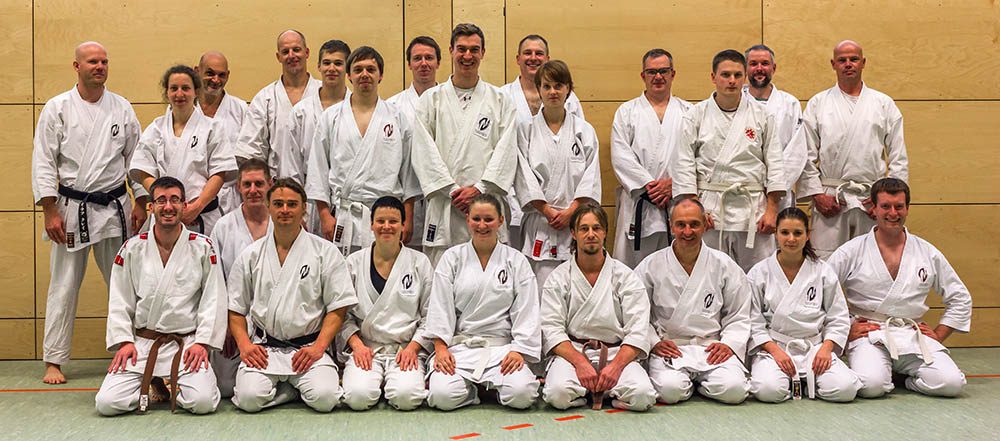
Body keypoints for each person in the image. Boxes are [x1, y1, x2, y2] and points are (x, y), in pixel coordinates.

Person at [32, 41, 148, 384]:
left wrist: (140, 199)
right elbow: (43, 160)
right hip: (70, 209)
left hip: (114, 207)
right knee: (64, 285)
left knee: (123, 283)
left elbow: (136, 159)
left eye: (104, 61)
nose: (99, 66)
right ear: (76, 66)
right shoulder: (58, 108)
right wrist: (49, 210)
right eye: (92, 61)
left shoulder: (122, 107)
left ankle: (128, 349)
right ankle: (54, 359)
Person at [94, 177, 227, 415]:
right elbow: (119, 300)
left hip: (186, 344)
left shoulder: (203, 247)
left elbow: (213, 299)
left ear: (184, 205)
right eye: (161, 201)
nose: (168, 206)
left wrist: (203, 343)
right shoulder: (132, 249)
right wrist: (124, 341)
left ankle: (170, 381)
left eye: (175, 200)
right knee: (106, 403)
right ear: (151, 207)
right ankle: (153, 379)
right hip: (143, 344)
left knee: (203, 403)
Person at [828, 178, 970, 398]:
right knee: (870, 387)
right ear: (873, 208)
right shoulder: (851, 251)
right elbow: (821, 293)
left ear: (907, 208)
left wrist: (939, 335)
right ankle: (885, 374)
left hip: (913, 333)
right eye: (885, 206)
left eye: (899, 206)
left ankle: (902, 380)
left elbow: (960, 298)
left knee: (951, 384)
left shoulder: (927, 252)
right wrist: (846, 331)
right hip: (869, 333)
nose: (893, 213)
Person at [228, 179, 357, 412]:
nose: (285, 210)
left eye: (292, 204)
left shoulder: (324, 252)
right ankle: (290, 392)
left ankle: (292, 388)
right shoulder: (251, 255)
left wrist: (319, 347)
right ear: (268, 207)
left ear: (304, 209)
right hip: (265, 349)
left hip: (308, 349)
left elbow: (338, 308)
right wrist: (245, 345)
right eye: (278, 204)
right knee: (248, 399)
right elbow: (236, 308)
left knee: (326, 399)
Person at [410, 23, 519, 267]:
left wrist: (479, 188)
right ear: (450, 51)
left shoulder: (500, 100)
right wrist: (452, 191)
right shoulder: (431, 100)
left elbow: (507, 151)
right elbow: (422, 151)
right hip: (445, 204)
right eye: (461, 49)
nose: (467, 56)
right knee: (443, 283)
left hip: (486, 206)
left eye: (474, 50)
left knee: (490, 280)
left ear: (483, 52)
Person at [424, 194, 540, 410]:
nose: (482, 225)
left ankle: (495, 389)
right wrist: (440, 347)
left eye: (489, 219)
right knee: (441, 396)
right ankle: (472, 392)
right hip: (460, 348)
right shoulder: (452, 258)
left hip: (502, 349)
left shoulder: (516, 261)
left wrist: (519, 350)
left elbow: (527, 310)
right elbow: (440, 307)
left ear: (500, 221)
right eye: (476, 219)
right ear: (467, 219)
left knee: (522, 395)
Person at [673, 49, 785, 273]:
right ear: (713, 77)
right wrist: (695, 208)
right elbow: (684, 164)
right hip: (711, 210)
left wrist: (772, 210)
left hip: (754, 210)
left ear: (744, 77)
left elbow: (775, 162)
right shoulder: (695, 115)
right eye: (725, 75)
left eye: (737, 75)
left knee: (757, 275)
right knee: (711, 274)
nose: (731, 81)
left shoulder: (762, 115)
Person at [540, 202, 656, 411]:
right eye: (584, 229)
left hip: (616, 352)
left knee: (643, 396)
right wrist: (580, 363)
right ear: (574, 234)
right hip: (574, 352)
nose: (591, 234)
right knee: (557, 395)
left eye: (597, 228)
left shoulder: (625, 277)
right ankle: (594, 393)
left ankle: (602, 390)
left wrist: (615, 367)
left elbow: (638, 330)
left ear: (605, 233)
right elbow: (551, 329)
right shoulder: (558, 278)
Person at [797, 40, 908, 258]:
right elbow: (805, 154)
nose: (848, 64)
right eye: (842, 60)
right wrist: (817, 194)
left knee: (871, 265)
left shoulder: (883, 104)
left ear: (863, 62)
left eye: (854, 59)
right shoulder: (818, 103)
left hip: (871, 201)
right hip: (830, 199)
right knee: (825, 266)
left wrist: (888, 200)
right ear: (833, 64)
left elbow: (898, 156)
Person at [634, 198, 750, 404]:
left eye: (694, 224)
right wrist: (653, 342)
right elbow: (637, 311)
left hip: (711, 347)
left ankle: (699, 383)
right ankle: (694, 384)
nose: (688, 231)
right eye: (681, 225)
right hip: (670, 347)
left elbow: (739, 312)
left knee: (735, 391)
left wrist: (729, 344)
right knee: (670, 391)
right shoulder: (651, 265)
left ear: (705, 224)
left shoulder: (724, 265)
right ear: (671, 226)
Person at [307, 46, 420, 255]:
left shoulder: (397, 118)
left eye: (371, 69)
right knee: (344, 278)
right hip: (344, 215)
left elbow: (409, 173)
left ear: (381, 75)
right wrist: (324, 214)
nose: (364, 75)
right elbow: (318, 167)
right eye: (358, 70)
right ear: (349, 75)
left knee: (384, 275)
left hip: (386, 217)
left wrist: (408, 216)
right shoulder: (331, 117)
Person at [746, 207, 861, 402]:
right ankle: (797, 381)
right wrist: (774, 351)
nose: (791, 239)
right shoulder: (759, 273)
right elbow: (753, 321)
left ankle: (804, 381)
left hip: (814, 348)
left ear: (808, 235)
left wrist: (826, 348)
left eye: (798, 233)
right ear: (776, 234)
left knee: (846, 389)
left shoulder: (823, 272)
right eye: (785, 232)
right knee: (768, 390)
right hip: (775, 348)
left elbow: (838, 317)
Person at [339, 196, 434, 411]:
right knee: (357, 398)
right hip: (367, 350)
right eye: (381, 221)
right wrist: (357, 346)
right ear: (371, 225)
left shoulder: (420, 262)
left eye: (393, 221)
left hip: (406, 350)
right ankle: (378, 382)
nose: (387, 227)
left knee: (407, 398)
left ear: (403, 225)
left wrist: (413, 348)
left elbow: (430, 315)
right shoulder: (353, 263)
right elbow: (342, 315)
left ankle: (394, 382)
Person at [513, 60, 601, 289]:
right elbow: (522, 174)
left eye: (559, 86)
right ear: (539, 90)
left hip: (576, 222)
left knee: (576, 287)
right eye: (547, 86)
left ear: (568, 89)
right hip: (542, 222)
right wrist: (547, 210)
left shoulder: (584, 130)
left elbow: (590, 177)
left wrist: (572, 212)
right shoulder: (526, 130)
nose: (553, 92)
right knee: (541, 288)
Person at [500, 34, 586, 252]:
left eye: (539, 53)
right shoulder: (502, 96)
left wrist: (571, 207)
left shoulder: (571, 99)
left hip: (565, 204)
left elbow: (576, 149)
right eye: (527, 53)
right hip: (516, 197)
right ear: (518, 58)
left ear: (547, 58)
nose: (533, 58)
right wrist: (540, 206)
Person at [129, 65, 237, 236]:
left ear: (196, 91)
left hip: (202, 215)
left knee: (203, 260)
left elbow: (220, 172)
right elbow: (144, 171)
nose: (179, 94)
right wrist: (167, 203)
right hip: (164, 214)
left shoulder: (212, 128)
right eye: (174, 88)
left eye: (185, 88)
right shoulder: (155, 128)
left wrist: (196, 206)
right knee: (162, 261)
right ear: (166, 92)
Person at [610, 49, 691, 268]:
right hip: (640, 202)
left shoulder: (689, 112)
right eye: (652, 72)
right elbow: (620, 157)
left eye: (663, 71)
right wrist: (650, 187)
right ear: (643, 75)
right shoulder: (626, 112)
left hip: (676, 202)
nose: (658, 77)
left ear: (673, 74)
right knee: (632, 275)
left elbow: (699, 157)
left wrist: (673, 185)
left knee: (674, 273)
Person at [207, 158, 273, 398]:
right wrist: (225, 327)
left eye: (259, 183)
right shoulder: (223, 227)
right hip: (237, 321)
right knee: (225, 387)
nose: (253, 190)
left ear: (270, 184)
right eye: (247, 184)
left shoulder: (285, 223)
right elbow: (214, 282)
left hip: (277, 322)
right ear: (238, 187)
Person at [284, 39, 351, 233]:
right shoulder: (300, 112)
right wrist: (297, 207)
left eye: (338, 63)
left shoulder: (358, 110)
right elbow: (291, 165)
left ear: (347, 69)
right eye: (327, 62)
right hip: (309, 202)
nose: (332, 68)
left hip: (346, 201)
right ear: (318, 66)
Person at [236, 30, 321, 179]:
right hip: (278, 188)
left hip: (319, 187)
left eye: (296, 49)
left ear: (307, 52)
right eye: (285, 51)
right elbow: (251, 150)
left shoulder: (324, 93)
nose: (291, 55)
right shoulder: (265, 99)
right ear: (278, 57)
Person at [387, 36, 443, 251]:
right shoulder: (393, 106)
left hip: (442, 195)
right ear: (408, 63)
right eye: (417, 58)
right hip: (407, 199)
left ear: (438, 62)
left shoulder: (451, 101)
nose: (423, 63)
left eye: (429, 58)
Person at [742, 45, 807, 211]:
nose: (759, 69)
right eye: (753, 64)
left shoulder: (789, 104)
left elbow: (797, 151)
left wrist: (775, 185)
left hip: (779, 192)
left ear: (774, 68)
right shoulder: (734, 101)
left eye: (764, 63)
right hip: (742, 190)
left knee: (778, 235)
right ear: (745, 68)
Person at [195, 51, 248, 214]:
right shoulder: (183, 109)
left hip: (230, 198)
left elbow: (249, 157)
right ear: (197, 71)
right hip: (193, 197)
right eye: (210, 73)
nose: (216, 80)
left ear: (228, 75)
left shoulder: (240, 109)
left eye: (221, 75)